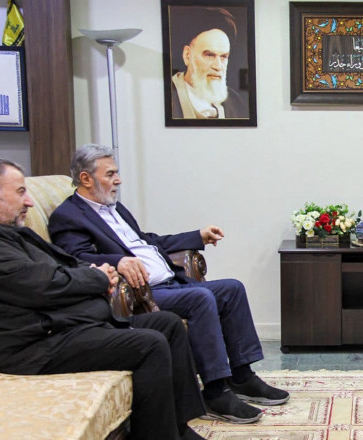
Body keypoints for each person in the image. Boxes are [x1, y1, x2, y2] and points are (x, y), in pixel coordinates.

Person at [0, 159, 205, 440]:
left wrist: (94, 272)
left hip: (63, 330)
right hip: (36, 349)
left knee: (168, 324)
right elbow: (43, 286)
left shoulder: (5, 233)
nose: (29, 201)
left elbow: (62, 264)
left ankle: (180, 427)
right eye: (21, 191)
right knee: (149, 344)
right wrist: (98, 280)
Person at [48, 144, 289, 424]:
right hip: (141, 293)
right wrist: (117, 261)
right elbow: (76, 258)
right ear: (86, 178)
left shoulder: (115, 209)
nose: (118, 180)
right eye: (111, 174)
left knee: (232, 288)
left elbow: (148, 242)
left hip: (171, 282)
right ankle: (214, 391)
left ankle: (242, 376)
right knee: (200, 298)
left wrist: (196, 236)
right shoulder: (68, 216)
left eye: (117, 173)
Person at [170, 7, 248, 119]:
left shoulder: (236, 102)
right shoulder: (168, 97)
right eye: (209, 55)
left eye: (223, 57)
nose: (218, 66)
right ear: (187, 55)